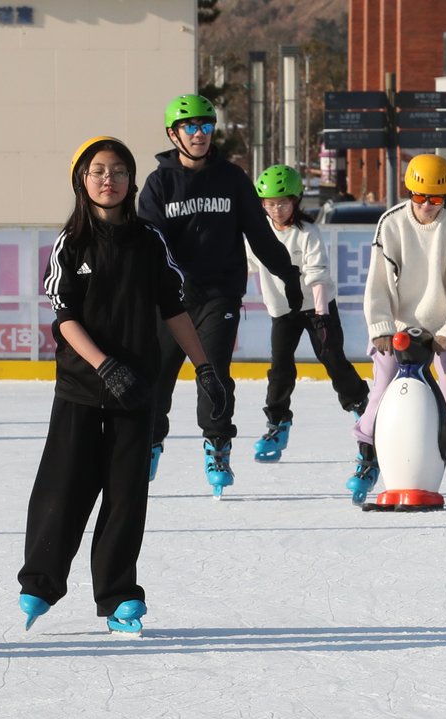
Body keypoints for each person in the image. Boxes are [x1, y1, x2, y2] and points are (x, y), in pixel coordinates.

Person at [18, 136, 228, 634]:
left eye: (117, 170)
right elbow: (64, 317)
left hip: (137, 390)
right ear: (81, 181)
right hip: (81, 389)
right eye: (97, 171)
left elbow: (173, 309)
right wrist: (102, 364)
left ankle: (118, 596)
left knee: (126, 497)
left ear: (131, 180)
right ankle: (40, 582)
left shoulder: (149, 240)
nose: (107, 179)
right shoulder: (72, 243)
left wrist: (204, 368)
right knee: (63, 490)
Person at [138, 93, 305, 493]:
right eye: (190, 127)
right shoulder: (159, 184)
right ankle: (150, 443)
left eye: (206, 126)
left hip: (219, 296)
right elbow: (145, 243)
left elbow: (259, 234)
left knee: (213, 372)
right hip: (170, 299)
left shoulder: (231, 179)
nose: (200, 134)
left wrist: (288, 274)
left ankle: (217, 445)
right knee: (157, 376)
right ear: (173, 134)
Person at [347, 154, 446, 505]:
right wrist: (380, 325)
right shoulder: (391, 224)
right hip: (399, 328)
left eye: (436, 199)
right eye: (420, 197)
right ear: (409, 192)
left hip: (444, 329)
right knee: (381, 392)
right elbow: (378, 282)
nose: (427, 206)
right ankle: (368, 456)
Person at [247, 164, 370, 461]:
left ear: (296, 201)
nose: (277, 210)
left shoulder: (307, 232)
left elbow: (317, 274)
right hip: (283, 310)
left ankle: (362, 408)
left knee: (332, 358)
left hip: (317, 308)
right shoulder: (256, 233)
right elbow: (246, 266)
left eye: (283, 202)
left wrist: (322, 314)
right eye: (270, 203)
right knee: (280, 368)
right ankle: (277, 423)